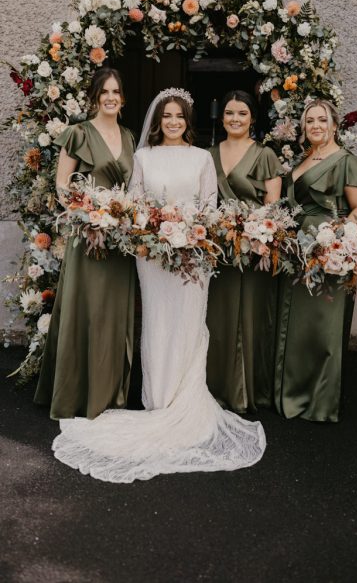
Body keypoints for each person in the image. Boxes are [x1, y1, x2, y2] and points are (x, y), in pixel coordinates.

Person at [50, 88, 266, 483]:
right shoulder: (144, 158)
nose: (172, 122)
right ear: (158, 120)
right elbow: (133, 203)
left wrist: (191, 234)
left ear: (188, 121)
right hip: (152, 258)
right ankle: (158, 401)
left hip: (193, 260)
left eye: (179, 117)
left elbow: (209, 206)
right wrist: (154, 229)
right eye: (166, 116)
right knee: (158, 325)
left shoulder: (202, 158)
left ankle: (185, 401)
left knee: (188, 324)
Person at [34, 68, 136, 420]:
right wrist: (89, 214)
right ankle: (76, 395)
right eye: (104, 92)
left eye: (116, 92)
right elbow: (63, 187)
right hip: (89, 236)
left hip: (119, 241)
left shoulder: (128, 135)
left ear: (122, 98)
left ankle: (109, 393)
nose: (110, 97)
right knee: (87, 309)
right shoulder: (78, 134)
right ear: (95, 97)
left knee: (112, 314)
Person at [274, 99, 357, 422]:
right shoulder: (304, 160)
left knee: (323, 326)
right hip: (298, 249)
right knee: (298, 324)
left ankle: (319, 402)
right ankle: (291, 394)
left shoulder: (346, 161)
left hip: (329, 251)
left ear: (334, 125)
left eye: (322, 120)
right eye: (310, 121)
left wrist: (342, 240)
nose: (315, 125)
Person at [206, 90, 283, 413]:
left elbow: (273, 206)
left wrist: (257, 233)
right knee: (218, 318)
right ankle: (217, 389)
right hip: (219, 247)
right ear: (221, 117)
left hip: (254, 247)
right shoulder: (208, 155)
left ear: (252, 118)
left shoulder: (265, 154)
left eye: (242, 113)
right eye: (229, 113)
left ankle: (250, 391)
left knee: (251, 317)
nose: (235, 119)